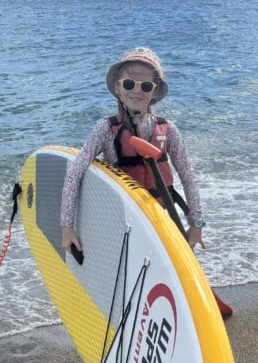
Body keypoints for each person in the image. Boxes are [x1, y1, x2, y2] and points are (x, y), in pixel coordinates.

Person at [60, 47, 206, 254]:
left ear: (154, 92)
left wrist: (196, 224)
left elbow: (188, 175)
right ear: (118, 88)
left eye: (145, 86)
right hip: (120, 219)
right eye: (129, 84)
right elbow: (75, 173)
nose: (137, 91)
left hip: (158, 219)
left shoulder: (168, 129)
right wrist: (67, 227)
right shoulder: (105, 129)